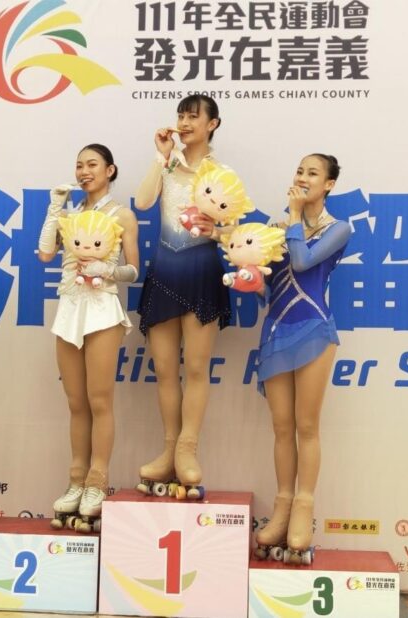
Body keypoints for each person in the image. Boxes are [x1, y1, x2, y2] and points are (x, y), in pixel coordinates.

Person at [255, 154, 351, 562]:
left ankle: (303, 509)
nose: (303, 178)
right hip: (276, 331)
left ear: (329, 184)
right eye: (299, 171)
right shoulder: (276, 230)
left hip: (314, 330)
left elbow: (303, 261)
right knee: (281, 427)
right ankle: (281, 508)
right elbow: (269, 288)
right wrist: (252, 278)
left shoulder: (339, 228)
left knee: (306, 426)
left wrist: (292, 217)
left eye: (312, 173)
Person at [135, 94, 231, 498]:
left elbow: (235, 229)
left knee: (194, 367)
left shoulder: (222, 173)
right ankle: (169, 449)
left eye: (193, 116)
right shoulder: (168, 164)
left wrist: (218, 232)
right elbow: (142, 202)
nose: (185, 123)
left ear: (212, 124)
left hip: (202, 271)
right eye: (181, 116)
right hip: (164, 270)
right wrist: (161, 156)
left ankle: (188, 450)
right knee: (163, 368)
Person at [38, 143, 138, 523]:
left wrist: (106, 270)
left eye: (92, 164)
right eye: (79, 165)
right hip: (70, 308)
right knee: (75, 402)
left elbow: (133, 270)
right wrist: (54, 209)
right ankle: (76, 481)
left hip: (101, 310)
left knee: (99, 400)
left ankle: (98, 481)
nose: (84, 171)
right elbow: (45, 254)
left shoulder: (122, 214)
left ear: (110, 170)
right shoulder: (70, 215)